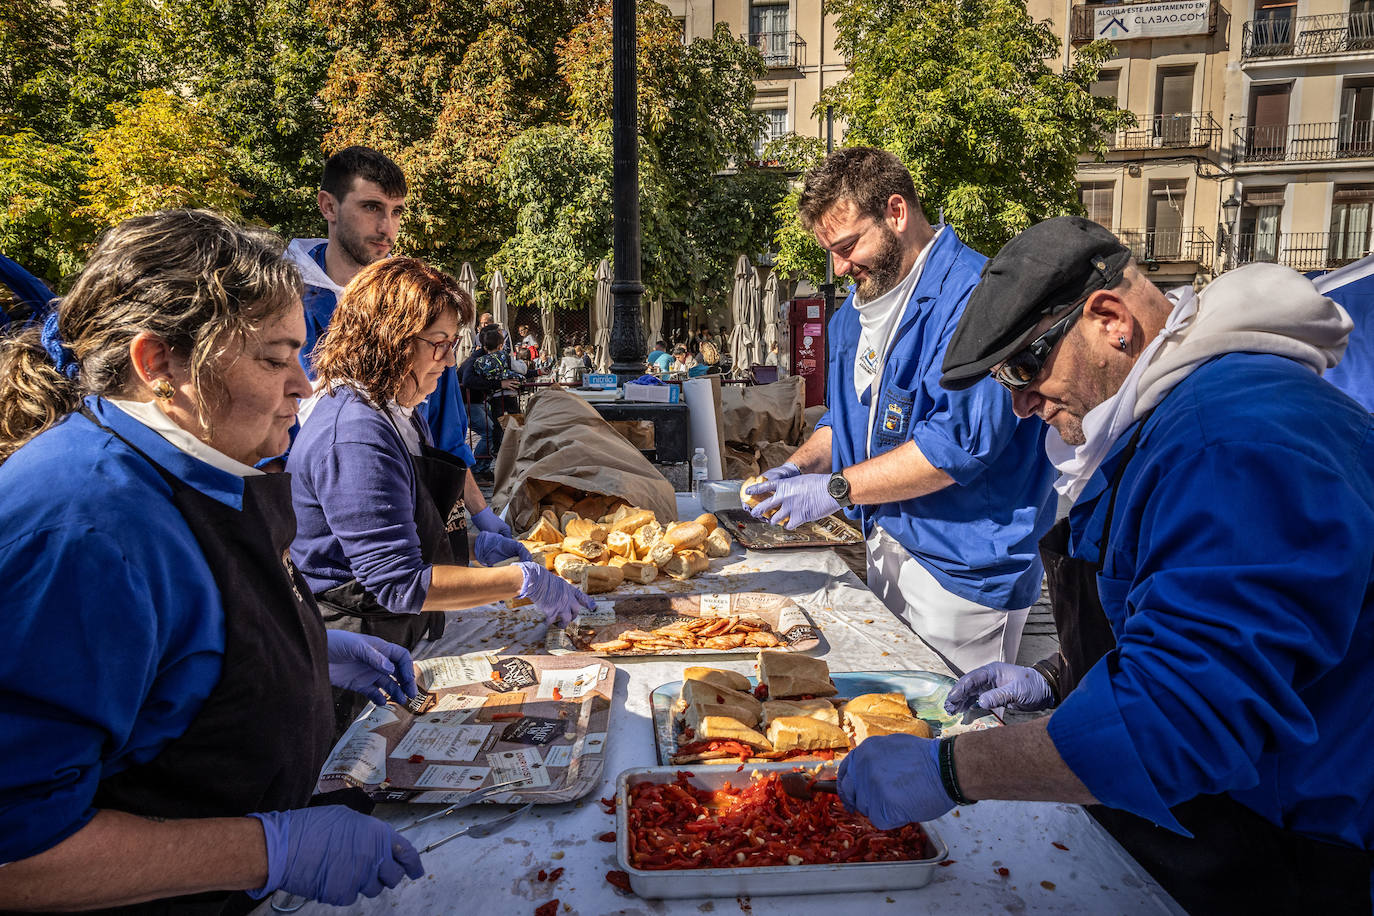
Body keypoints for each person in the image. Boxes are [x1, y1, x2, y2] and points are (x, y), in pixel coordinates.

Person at [838, 217, 1373, 915]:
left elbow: (1183, 716)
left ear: (1111, 319)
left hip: (1290, 849)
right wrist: (1060, 674)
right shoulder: (1184, 415)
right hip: (1225, 821)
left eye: (1024, 368)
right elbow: (1179, 615)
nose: (1022, 404)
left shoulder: (1230, 441)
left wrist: (950, 769)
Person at [0, 210, 423, 911]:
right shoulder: (81, 532)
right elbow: (18, 850)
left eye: (300, 354)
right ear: (158, 363)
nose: (304, 384)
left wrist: (299, 652)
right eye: (273, 357)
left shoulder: (194, 465)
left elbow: (179, 648)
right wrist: (271, 849)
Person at [745, 147, 1055, 675]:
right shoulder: (853, 314)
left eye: (847, 246)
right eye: (831, 253)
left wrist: (835, 488)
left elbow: (953, 446)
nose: (840, 267)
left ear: (896, 212)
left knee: (954, 737)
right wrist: (798, 468)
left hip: (965, 572)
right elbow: (845, 425)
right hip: (886, 546)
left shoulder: (977, 299)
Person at [289, 257, 593, 659]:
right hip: (362, 643)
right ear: (390, 340)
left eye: (452, 345)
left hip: (401, 629)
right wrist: (520, 580)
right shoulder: (355, 435)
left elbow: (401, 529)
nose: (450, 361)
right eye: (440, 344)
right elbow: (398, 584)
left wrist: (470, 546)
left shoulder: (399, 410)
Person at [284, 146, 481, 475]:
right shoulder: (281, 300)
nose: (386, 227)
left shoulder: (415, 302)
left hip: (409, 491)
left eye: (397, 211)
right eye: (372, 207)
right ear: (328, 206)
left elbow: (444, 432)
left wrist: (474, 513)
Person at [461, 325, 520, 475]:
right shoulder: (476, 359)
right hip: (467, 402)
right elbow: (467, 380)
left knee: (494, 430)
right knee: (488, 431)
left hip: (478, 401)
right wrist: (500, 384)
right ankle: (477, 470)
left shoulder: (492, 357)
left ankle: (484, 467)